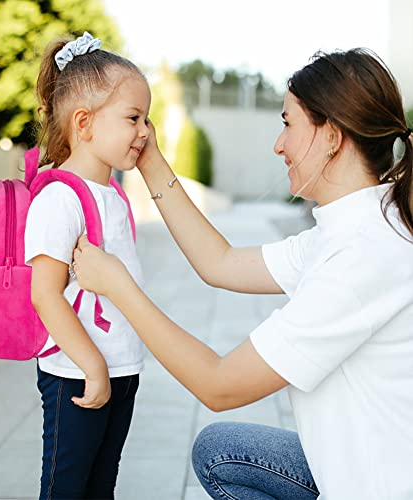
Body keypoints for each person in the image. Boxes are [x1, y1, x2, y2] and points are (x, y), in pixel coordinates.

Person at [71, 48, 413, 499]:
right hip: (368, 463)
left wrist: (119, 285)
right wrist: (149, 158)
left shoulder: (363, 256)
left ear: (331, 135)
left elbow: (219, 385)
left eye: (288, 124)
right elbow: (222, 264)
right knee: (221, 451)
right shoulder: (360, 223)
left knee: (222, 445)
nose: (279, 144)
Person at [25, 32, 150, 499]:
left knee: (101, 489)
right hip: (76, 373)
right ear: (85, 123)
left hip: (119, 370)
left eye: (147, 119)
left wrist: (114, 367)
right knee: (66, 489)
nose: (144, 132)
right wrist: (92, 364)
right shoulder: (59, 198)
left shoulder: (114, 194)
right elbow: (45, 293)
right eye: (133, 118)